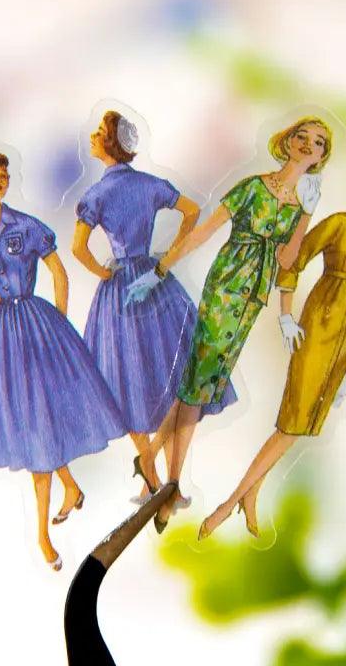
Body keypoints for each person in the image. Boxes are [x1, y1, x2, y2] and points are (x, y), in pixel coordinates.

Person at [197, 153, 346, 540]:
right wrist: (286, 314)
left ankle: (249, 495)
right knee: (293, 421)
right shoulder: (341, 223)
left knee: (299, 423)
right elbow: (295, 259)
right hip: (317, 326)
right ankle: (228, 504)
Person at [125, 116, 334, 532]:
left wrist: (307, 215)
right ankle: (169, 485)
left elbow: (287, 259)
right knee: (197, 384)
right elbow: (204, 232)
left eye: (319, 143)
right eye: (303, 137)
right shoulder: (253, 187)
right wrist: (160, 271)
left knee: (202, 382)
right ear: (288, 141)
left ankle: (152, 464)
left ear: (321, 158)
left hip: (253, 297)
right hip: (226, 287)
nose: (308, 145)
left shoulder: (301, 205)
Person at [0, 150, 125, 571]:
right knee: (34, 423)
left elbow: (58, 272)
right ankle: (70, 489)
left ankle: (42, 535)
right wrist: (6, 331)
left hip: (38, 324)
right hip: (5, 336)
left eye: (3, 173)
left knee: (41, 425)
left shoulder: (27, 226)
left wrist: (58, 321)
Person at [72, 110, 235, 503]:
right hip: (154, 277)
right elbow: (192, 211)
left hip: (120, 288)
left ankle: (151, 472)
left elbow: (78, 249)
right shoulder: (148, 184)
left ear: (109, 142)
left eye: (98, 131)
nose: (92, 137)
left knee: (126, 378)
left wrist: (104, 272)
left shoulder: (96, 195)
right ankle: (157, 477)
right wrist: (169, 255)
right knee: (170, 372)